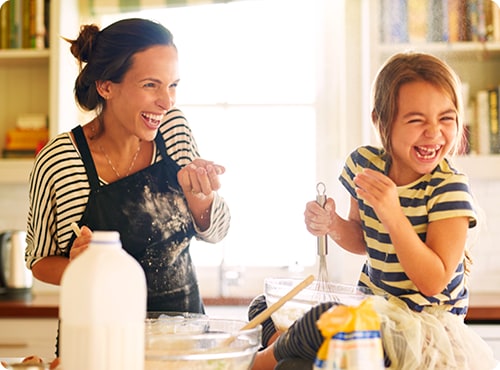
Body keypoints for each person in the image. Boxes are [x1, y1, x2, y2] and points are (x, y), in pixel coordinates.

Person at [249, 52, 499, 369]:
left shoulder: (449, 190)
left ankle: (257, 363)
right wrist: (332, 224)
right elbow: (363, 239)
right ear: (381, 120)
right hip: (373, 310)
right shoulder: (365, 165)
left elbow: (432, 281)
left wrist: (392, 213)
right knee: (266, 306)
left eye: (446, 119)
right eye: (416, 120)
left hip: (422, 331)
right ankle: (292, 350)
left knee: (324, 319)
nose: (434, 132)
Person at [25, 18, 230, 315]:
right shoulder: (61, 159)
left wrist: (201, 197)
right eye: (151, 85)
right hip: (98, 339)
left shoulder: (173, 131)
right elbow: (39, 261)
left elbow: (217, 233)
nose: (166, 102)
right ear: (106, 86)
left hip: (181, 338)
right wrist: (78, 267)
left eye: (173, 86)